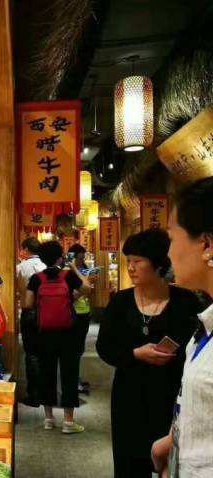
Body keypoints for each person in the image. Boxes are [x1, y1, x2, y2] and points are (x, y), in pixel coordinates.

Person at [96, 228, 200, 478]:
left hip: (173, 394)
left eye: (137, 261)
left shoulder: (187, 302)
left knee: (171, 463)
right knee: (129, 461)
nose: (130, 267)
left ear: (158, 265)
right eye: (128, 261)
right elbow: (104, 347)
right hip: (129, 395)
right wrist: (134, 354)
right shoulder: (120, 302)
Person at [152, 177, 213, 478]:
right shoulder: (205, 326)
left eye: (172, 239)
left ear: (206, 245)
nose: (169, 254)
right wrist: (174, 441)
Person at [23, 240, 92, 434]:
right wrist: (72, 272)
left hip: (44, 333)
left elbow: (28, 304)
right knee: (69, 374)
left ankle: (48, 418)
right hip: (68, 332)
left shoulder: (36, 279)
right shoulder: (68, 276)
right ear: (60, 257)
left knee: (47, 373)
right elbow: (87, 287)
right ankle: (69, 422)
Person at [16, 237, 46, 406]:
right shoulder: (47, 265)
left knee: (32, 354)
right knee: (45, 354)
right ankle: (45, 393)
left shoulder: (21, 267)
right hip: (49, 314)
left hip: (30, 313)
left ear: (26, 249)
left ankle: (34, 396)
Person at [68, 243, 93, 394]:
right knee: (74, 351)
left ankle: (75, 379)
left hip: (84, 312)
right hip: (74, 314)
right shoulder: (69, 273)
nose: (82, 261)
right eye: (80, 258)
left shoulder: (78, 271)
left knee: (78, 350)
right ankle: (73, 382)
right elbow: (76, 294)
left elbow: (86, 288)